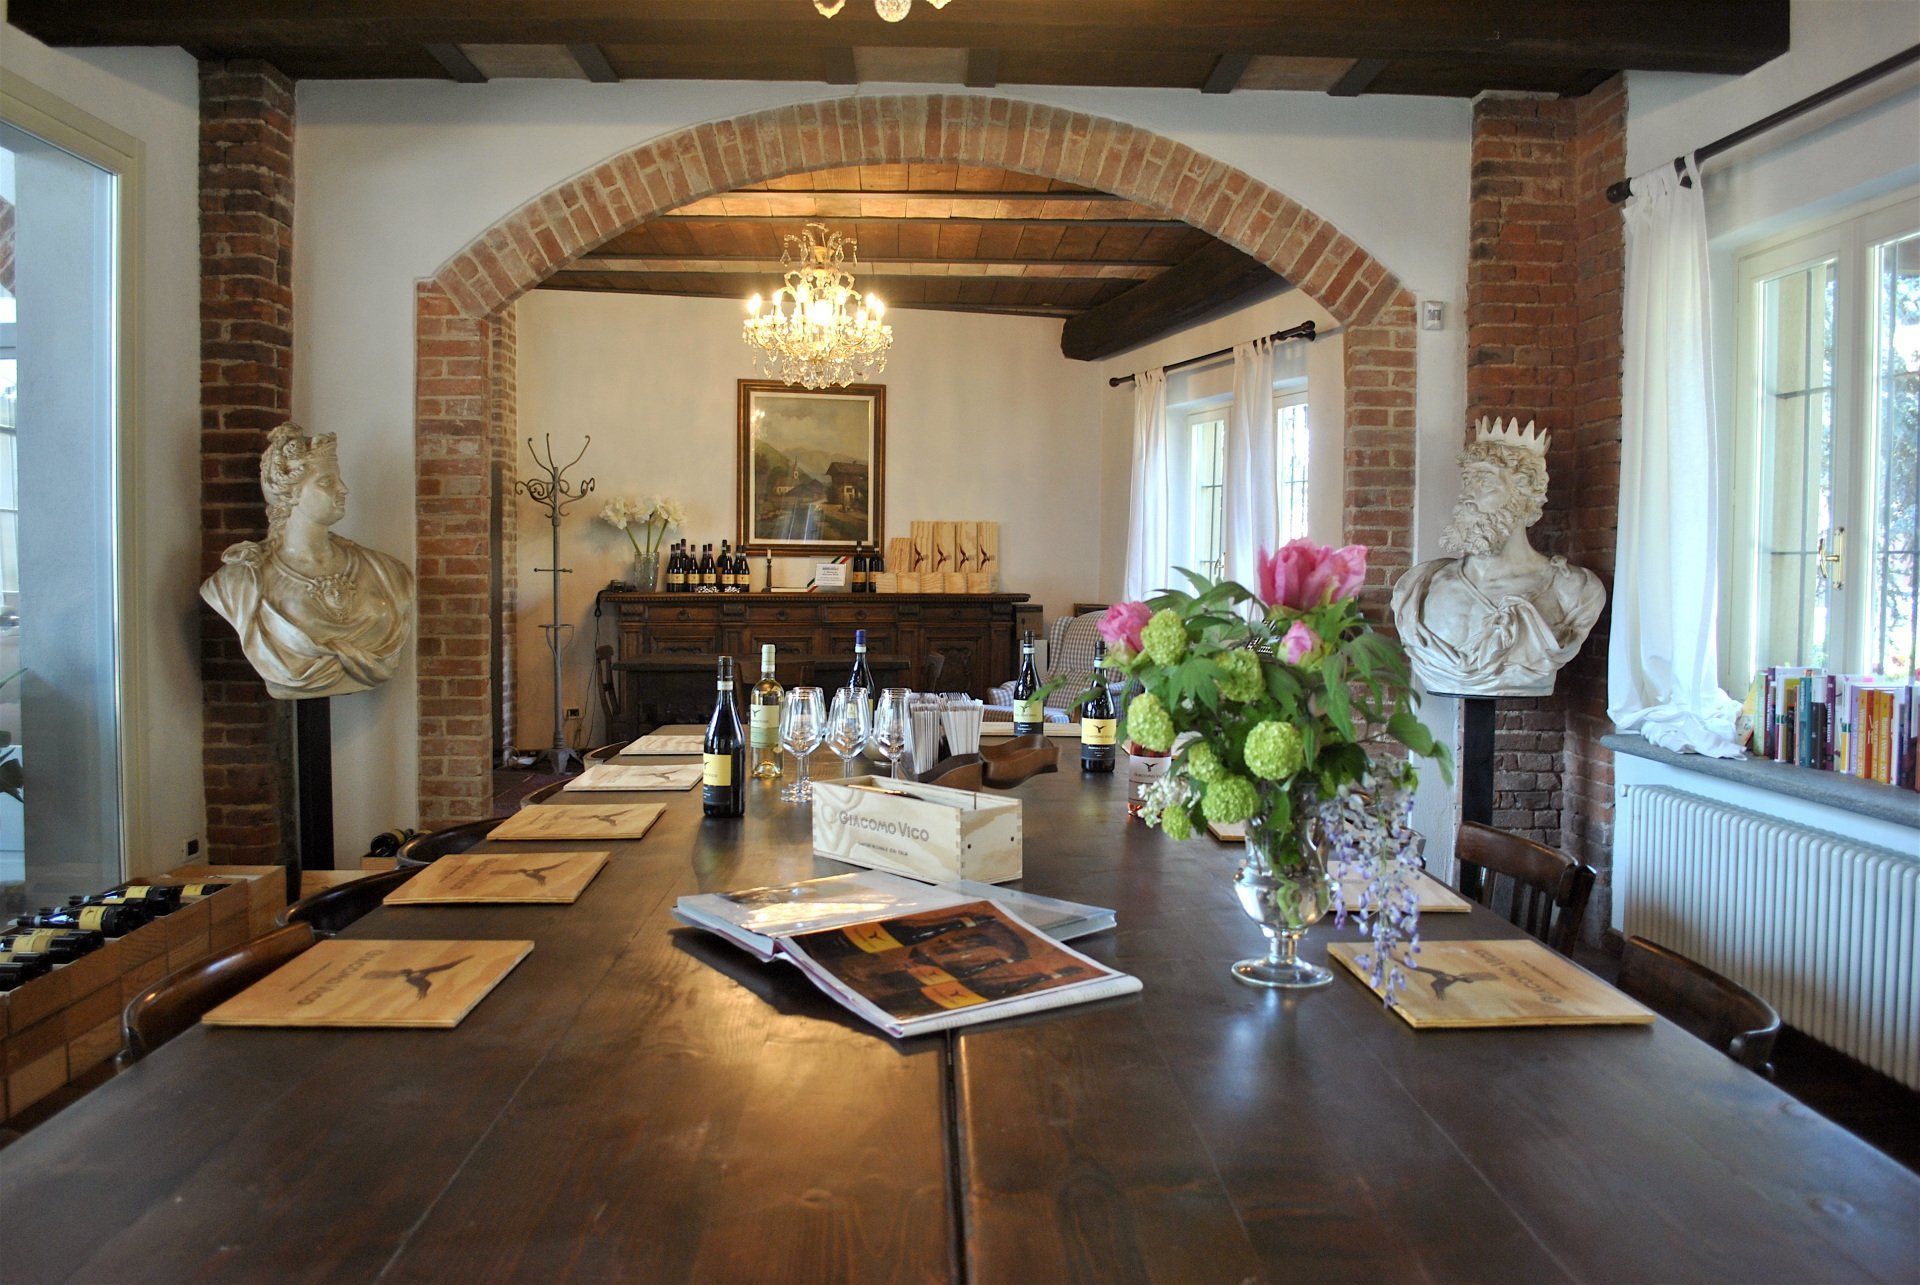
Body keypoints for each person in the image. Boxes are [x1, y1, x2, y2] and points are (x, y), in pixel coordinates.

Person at [1391, 418, 1604, 697]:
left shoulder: (1572, 589)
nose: (1467, 495)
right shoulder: (1423, 585)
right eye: (1467, 482)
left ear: (1523, 497)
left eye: (1485, 483)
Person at [201, 423, 413, 699]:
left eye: (338, 480)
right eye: (326, 482)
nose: (343, 489)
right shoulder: (242, 581)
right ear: (290, 494)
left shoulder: (386, 571)